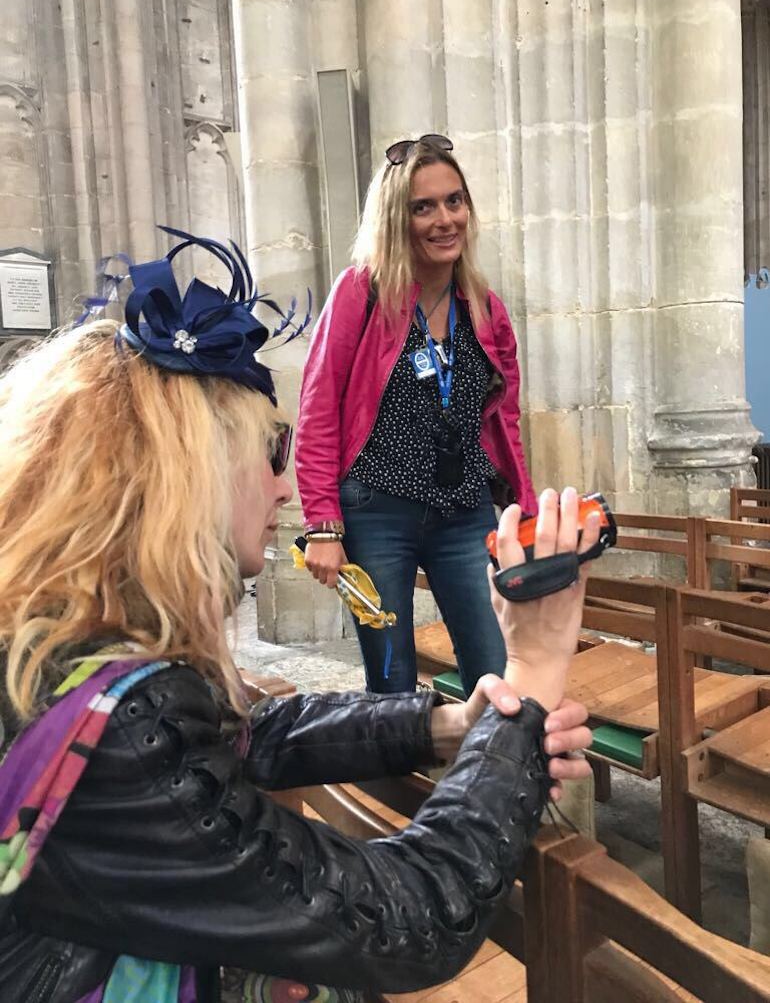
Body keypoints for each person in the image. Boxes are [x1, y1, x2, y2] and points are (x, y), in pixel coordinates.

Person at [0, 230, 594, 1003]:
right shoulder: (123, 727)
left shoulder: (61, 641)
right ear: (191, 475)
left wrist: (442, 725)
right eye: (273, 449)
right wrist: (536, 666)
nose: (285, 490)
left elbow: (246, 732)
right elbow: (410, 919)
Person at [296, 133, 537, 697]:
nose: (444, 219)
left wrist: (521, 509)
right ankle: (392, 782)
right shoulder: (363, 291)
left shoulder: (483, 305)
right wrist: (323, 525)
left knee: (495, 667)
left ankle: (490, 781)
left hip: (465, 509)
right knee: (391, 679)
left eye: (454, 201)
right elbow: (319, 407)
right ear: (396, 218)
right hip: (378, 508)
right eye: (423, 207)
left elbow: (506, 422)